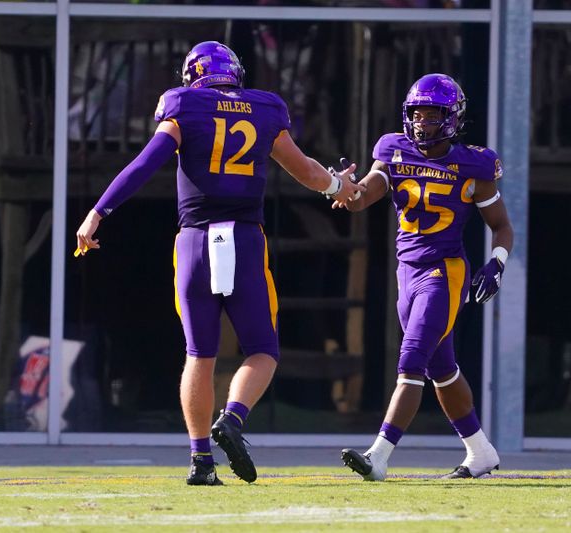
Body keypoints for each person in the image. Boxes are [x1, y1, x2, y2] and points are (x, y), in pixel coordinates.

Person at [76, 41, 364, 485]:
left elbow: (145, 163)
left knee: (199, 354)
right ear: (236, 74)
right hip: (245, 239)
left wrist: (98, 212)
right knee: (263, 351)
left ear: (193, 75)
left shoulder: (184, 105)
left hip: (194, 242)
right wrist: (336, 186)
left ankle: (200, 461)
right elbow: (305, 171)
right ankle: (232, 419)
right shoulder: (265, 109)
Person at [334, 73, 514, 480]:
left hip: (443, 272)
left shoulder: (474, 164)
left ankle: (379, 456)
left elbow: (501, 225)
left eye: (433, 115)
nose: (422, 123)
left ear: (452, 118)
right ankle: (481, 452)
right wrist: (343, 188)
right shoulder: (393, 150)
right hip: (407, 273)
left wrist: (496, 263)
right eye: (417, 114)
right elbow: (363, 197)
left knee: (412, 358)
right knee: (442, 369)